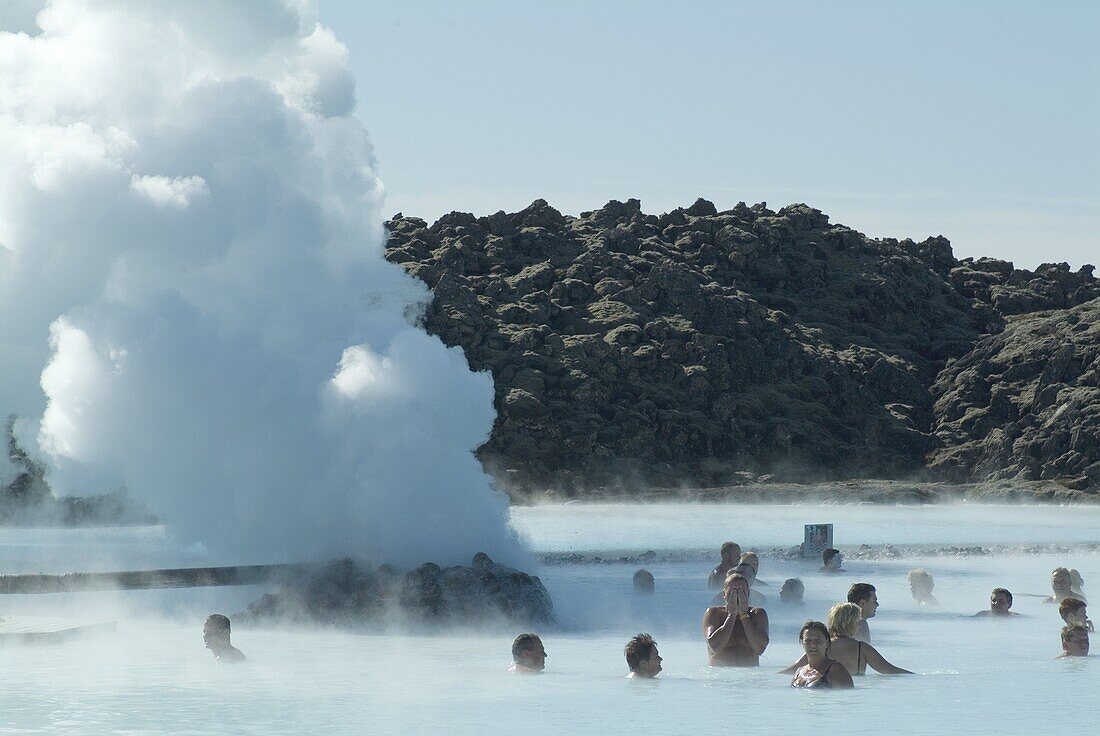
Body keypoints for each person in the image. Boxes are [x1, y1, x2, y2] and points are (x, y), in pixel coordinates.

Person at [782, 603, 911, 676]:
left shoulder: (821, 647)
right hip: (852, 694)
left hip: (825, 690)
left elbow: (790, 671)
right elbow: (890, 670)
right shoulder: (862, 648)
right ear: (853, 623)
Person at [702, 572, 769, 666]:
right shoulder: (714, 614)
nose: (737, 595)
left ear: (748, 593)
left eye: (741, 591)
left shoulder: (757, 614)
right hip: (719, 674)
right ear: (724, 594)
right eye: (732, 591)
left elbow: (760, 648)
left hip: (750, 674)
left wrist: (744, 615)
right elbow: (715, 646)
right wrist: (731, 615)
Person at [790, 621, 854, 689]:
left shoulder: (835, 670)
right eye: (808, 641)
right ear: (802, 643)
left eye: (818, 640)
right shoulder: (799, 672)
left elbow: (849, 696)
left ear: (827, 643)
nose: (813, 645)